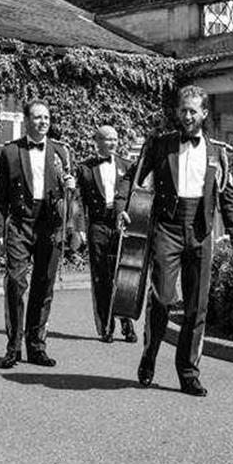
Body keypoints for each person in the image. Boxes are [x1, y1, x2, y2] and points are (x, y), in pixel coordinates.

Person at [116, 85, 233, 397]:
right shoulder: (160, 145)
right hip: (167, 228)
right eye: (183, 110)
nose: (187, 116)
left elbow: (228, 197)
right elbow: (128, 177)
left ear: (204, 114)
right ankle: (149, 355)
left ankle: (188, 372)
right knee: (161, 298)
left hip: (201, 231)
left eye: (193, 111)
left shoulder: (218, 153)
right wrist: (122, 207)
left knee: (196, 306)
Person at [0, 100, 77, 369]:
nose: (43, 122)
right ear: (26, 120)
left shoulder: (61, 151)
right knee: (16, 282)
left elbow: (70, 197)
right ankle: (13, 347)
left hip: (50, 225)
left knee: (44, 286)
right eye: (37, 117)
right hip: (20, 223)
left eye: (46, 117)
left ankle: (37, 347)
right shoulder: (10, 152)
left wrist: (71, 187)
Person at [76, 125, 137, 343]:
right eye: (107, 139)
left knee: (123, 277)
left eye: (115, 139)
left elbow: (136, 196)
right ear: (97, 142)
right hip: (98, 225)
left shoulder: (128, 166)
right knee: (101, 276)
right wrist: (80, 229)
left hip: (120, 224)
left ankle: (127, 323)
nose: (112, 143)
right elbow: (78, 201)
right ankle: (106, 326)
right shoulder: (84, 168)